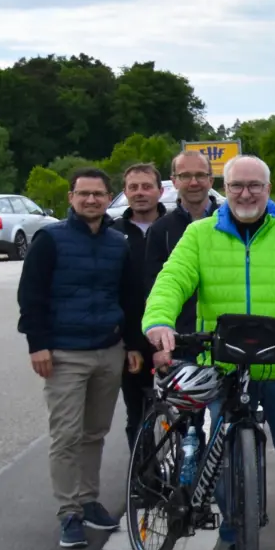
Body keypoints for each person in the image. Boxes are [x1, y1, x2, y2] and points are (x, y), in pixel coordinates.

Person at [143, 155, 275, 550]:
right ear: (224, 188)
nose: (246, 194)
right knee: (225, 458)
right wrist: (159, 320)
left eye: (255, 186)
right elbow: (172, 279)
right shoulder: (199, 235)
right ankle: (233, 537)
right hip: (226, 366)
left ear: (269, 189)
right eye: (237, 186)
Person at [19, 168, 148, 549]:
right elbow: (32, 296)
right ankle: (69, 512)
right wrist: (37, 343)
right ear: (71, 197)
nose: (91, 200)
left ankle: (89, 501)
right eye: (83, 194)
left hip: (109, 350)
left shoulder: (117, 243)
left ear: (109, 198)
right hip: (63, 353)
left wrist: (133, 345)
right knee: (66, 435)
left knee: (94, 432)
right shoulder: (50, 240)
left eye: (98, 194)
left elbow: (127, 298)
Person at [145, 150, 219, 352]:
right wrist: (159, 348)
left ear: (211, 180)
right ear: (174, 181)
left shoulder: (230, 223)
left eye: (200, 175)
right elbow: (154, 287)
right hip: (180, 340)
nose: (194, 182)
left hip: (224, 336)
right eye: (185, 176)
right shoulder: (161, 229)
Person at [113, 163, 164, 451]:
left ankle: (188, 480)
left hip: (174, 338)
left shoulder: (178, 229)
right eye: (133, 187)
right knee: (139, 414)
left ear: (159, 190)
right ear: (125, 193)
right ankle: (145, 481)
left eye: (146, 186)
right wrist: (129, 340)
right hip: (132, 341)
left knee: (186, 414)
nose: (140, 193)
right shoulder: (113, 234)